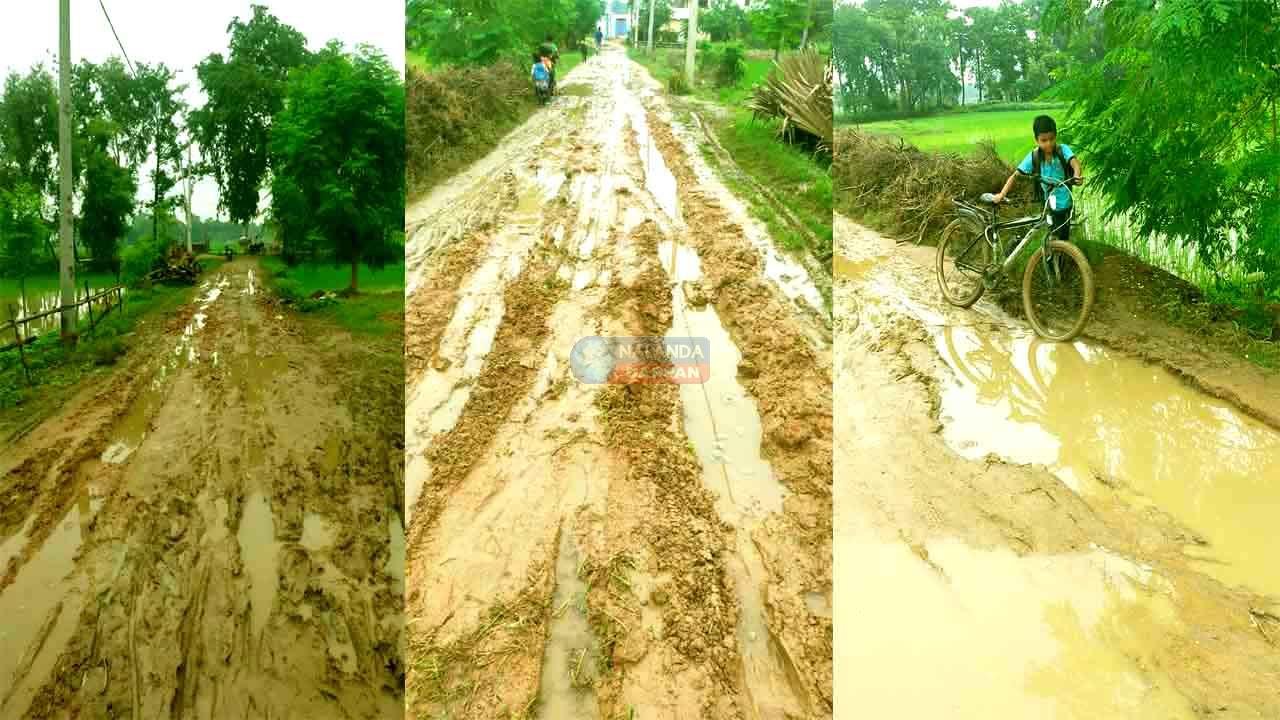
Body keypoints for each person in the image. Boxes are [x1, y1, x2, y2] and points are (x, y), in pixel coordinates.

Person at [992, 115, 1084, 241]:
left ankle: (1062, 256)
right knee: (1053, 237)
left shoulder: (1063, 150)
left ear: (1055, 136)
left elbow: (1075, 163)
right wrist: (1002, 194)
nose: (1049, 143)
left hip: (1066, 202)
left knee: (1064, 237)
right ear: (1037, 140)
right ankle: (1051, 257)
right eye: (1044, 140)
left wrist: (1076, 175)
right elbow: (1015, 176)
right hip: (1048, 204)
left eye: (1051, 139)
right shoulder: (1034, 157)